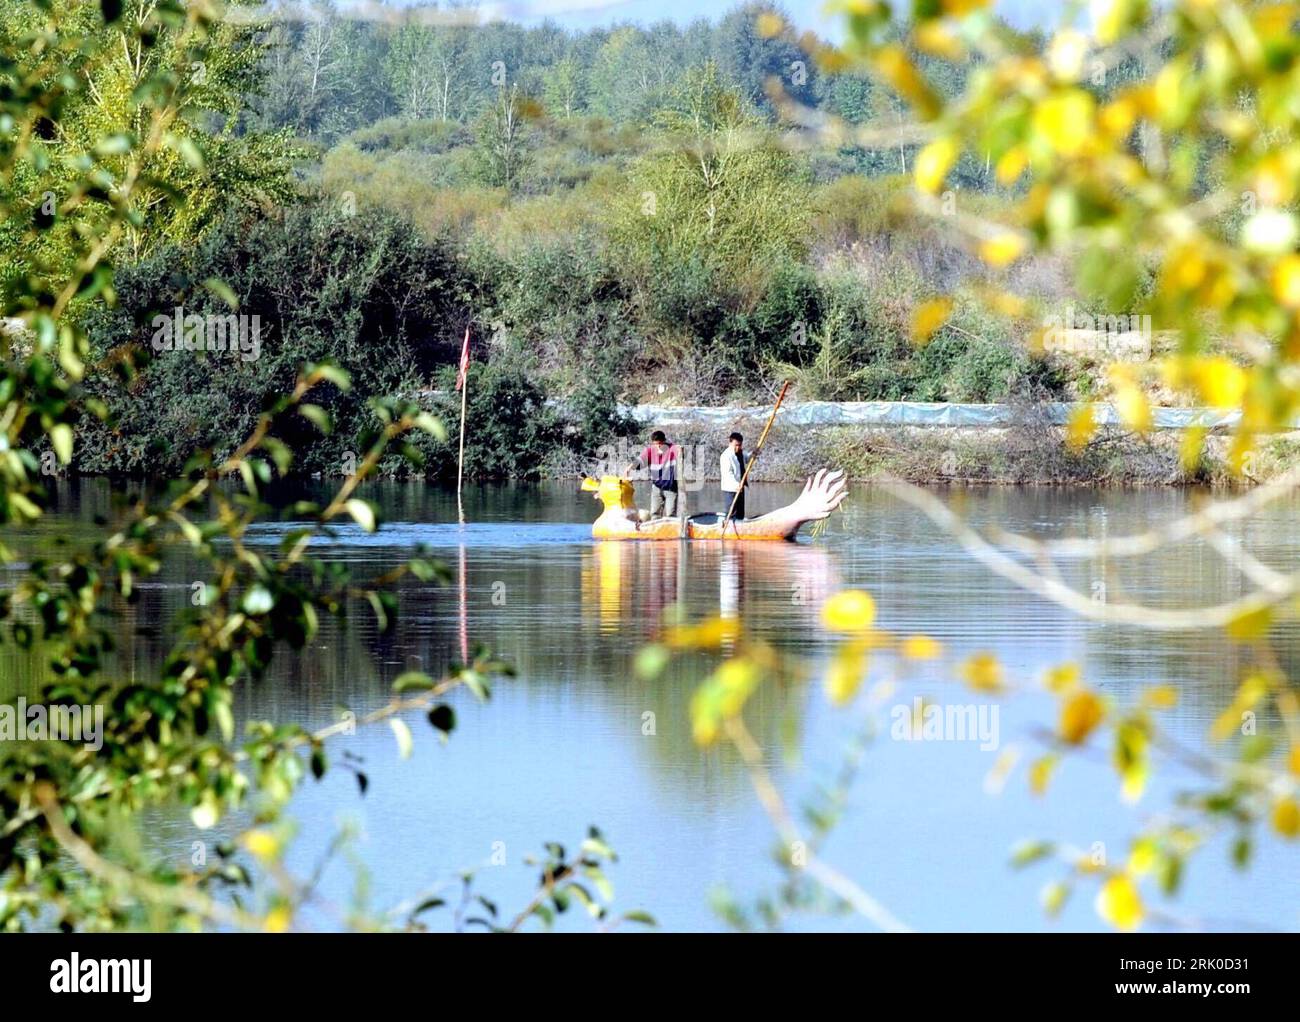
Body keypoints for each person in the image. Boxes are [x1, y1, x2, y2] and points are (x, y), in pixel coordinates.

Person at [626, 429, 679, 518]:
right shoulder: (650, 450)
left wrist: (681, 450)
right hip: (657, 487)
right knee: (654, 513)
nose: (658, 446)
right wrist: (629, 468)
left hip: (671, 488)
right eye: (655, 444)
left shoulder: (672, 449)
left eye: (660, 444)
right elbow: (639, 461)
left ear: (664, 442)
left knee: (671, 514)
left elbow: (681, 450)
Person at [720, 432, 749, 520]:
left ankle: (740, 526)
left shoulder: (740, 453)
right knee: (732, 513)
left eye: (739, 445)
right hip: (730, 489)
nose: (738, 447)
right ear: (730, 443)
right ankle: (729, 527)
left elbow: (746, 459)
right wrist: (736, 485)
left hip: (740, 487)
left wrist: (754, 454)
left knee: (740, 513)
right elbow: (728, 474)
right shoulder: (726, 456)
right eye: (736, 445)